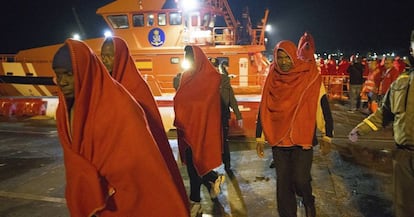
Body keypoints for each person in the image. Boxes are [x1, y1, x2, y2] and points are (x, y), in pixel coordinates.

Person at [52, 39, 189, 216]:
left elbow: (137, 157)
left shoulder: (122, 101)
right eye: (57, 75)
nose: (61, 82)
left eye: (68, 74)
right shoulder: (66, 108)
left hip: (120, 193)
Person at [100, 36, 189, 209]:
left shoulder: (136, 87)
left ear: (121, 57)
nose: (105, 60)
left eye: (110, 56)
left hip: (135, 162)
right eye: (103, 56)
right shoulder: (103, 86)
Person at [256, 34, 333, 217]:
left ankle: (308, 200)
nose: (283, 62)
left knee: (300, 180)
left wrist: (327, 135)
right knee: (283, 184)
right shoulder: (272, 79)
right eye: (279, 58)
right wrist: (260, 136)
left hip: (302, 138)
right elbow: (263, 107)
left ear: (293, 56)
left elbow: (323, 106)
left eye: (287, 57)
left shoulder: (310, 76)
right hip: (279, 140)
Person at [349, 30, 414, 217]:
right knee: (404, 208)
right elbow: (383, 114)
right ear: (411, 48)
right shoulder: (401, 82)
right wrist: (359, 129)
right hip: (404, 156)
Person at [174, 45, 225, 217]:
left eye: (191, 57)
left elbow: (210, 109)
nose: (189, 61)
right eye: (186, 57)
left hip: (203, 132)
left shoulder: (212, 79)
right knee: (192, 168)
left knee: (195, 169)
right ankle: (212, 178)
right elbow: (180, 101)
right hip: (187, 131)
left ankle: (195, 202)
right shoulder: (185, 77)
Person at [218, 60, 243, 171]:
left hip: (219, 117)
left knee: (223, 141)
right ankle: (225, 164)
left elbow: (232, 99)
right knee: (223, 141)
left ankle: (225, 164)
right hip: (218, 117)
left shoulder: (223, 81)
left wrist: (238, 115)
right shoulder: (225, 81)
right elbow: (232, 100)